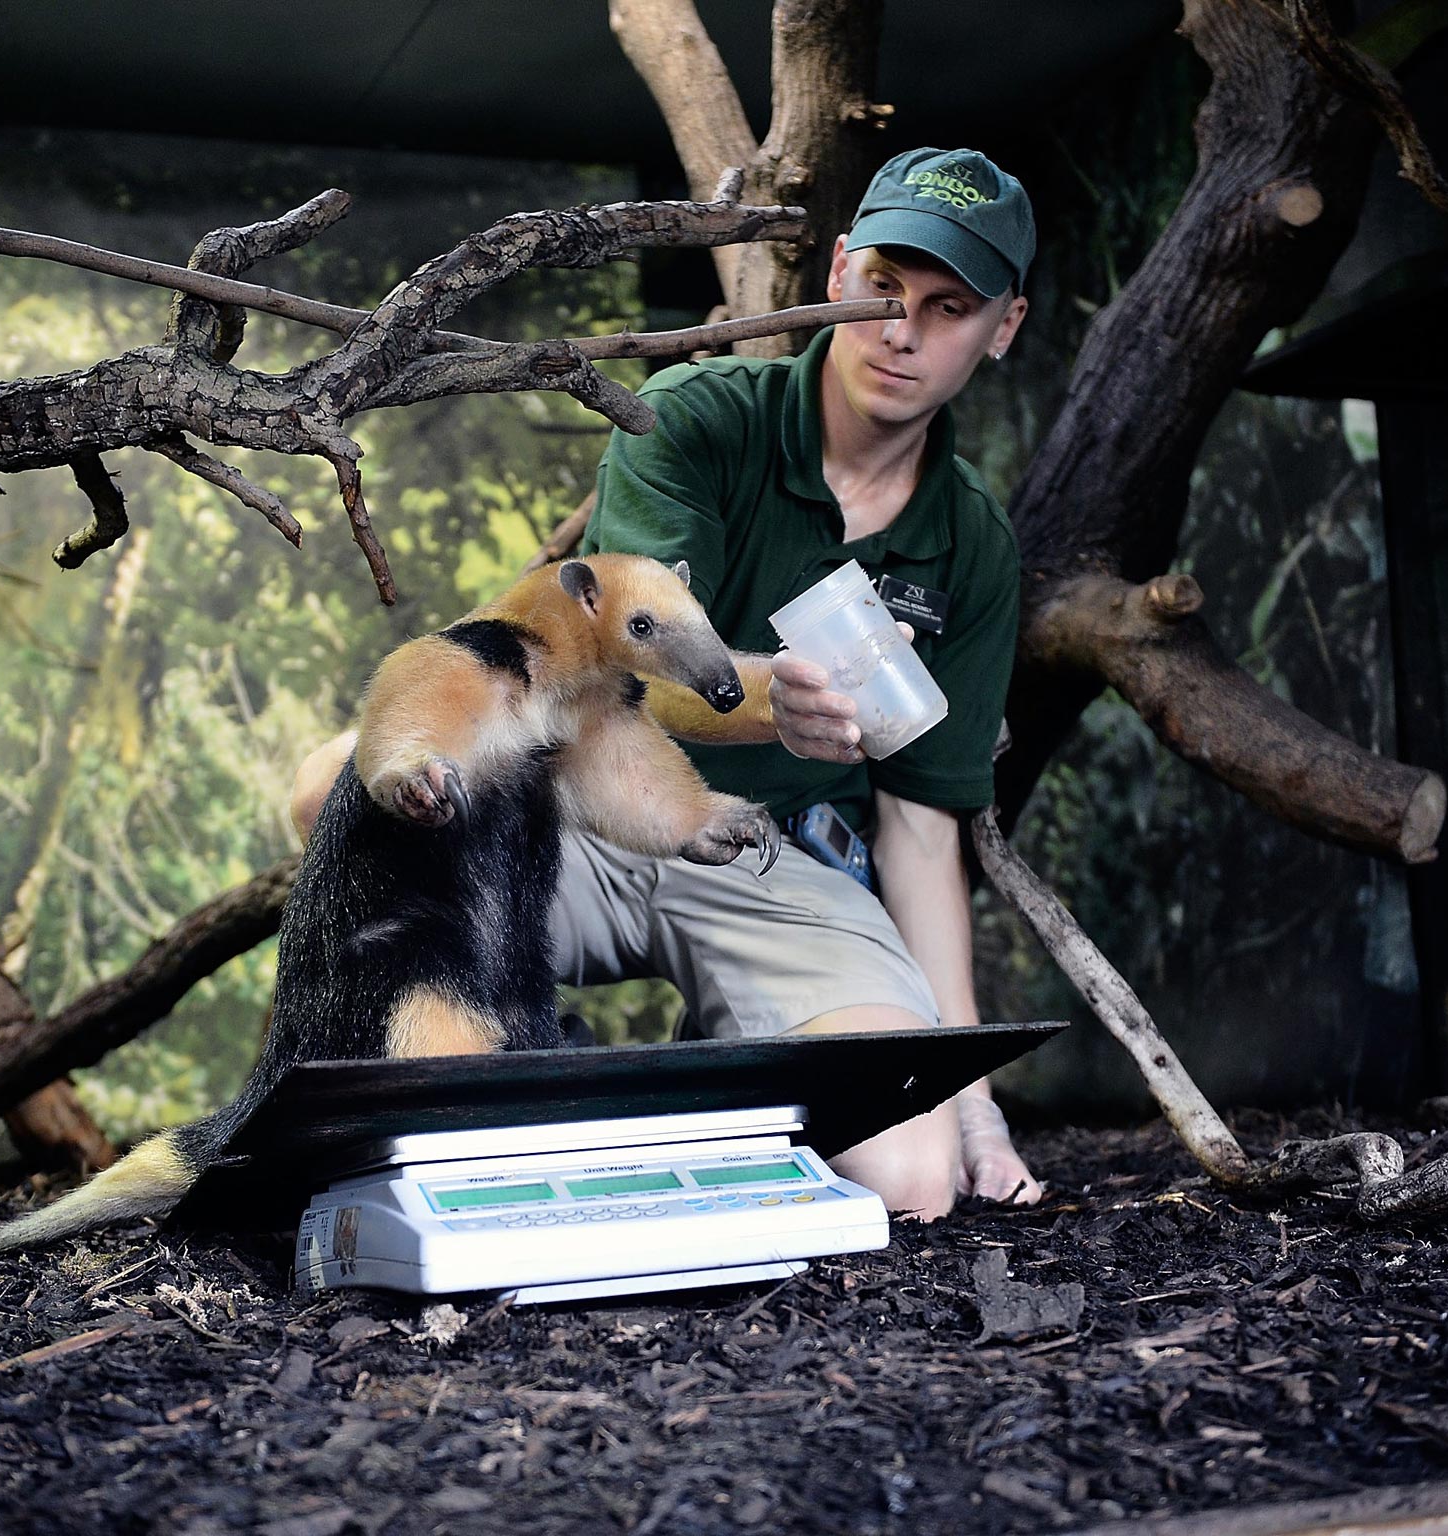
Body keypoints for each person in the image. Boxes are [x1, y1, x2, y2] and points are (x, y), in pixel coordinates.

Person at [293, 147, 1041, 1219]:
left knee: (913, 1182)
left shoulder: (970, 541)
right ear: (837, 271)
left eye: (948, 307)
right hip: (580, 810)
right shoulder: (694, 416)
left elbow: (922, 834)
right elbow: (638, 670)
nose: (900, 330)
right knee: (338, 790)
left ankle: (696, 1081)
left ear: (1002, 328)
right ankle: (443, 1089)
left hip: (765, 855)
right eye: (883, 286)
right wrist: (770, 703)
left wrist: (973, 1109)